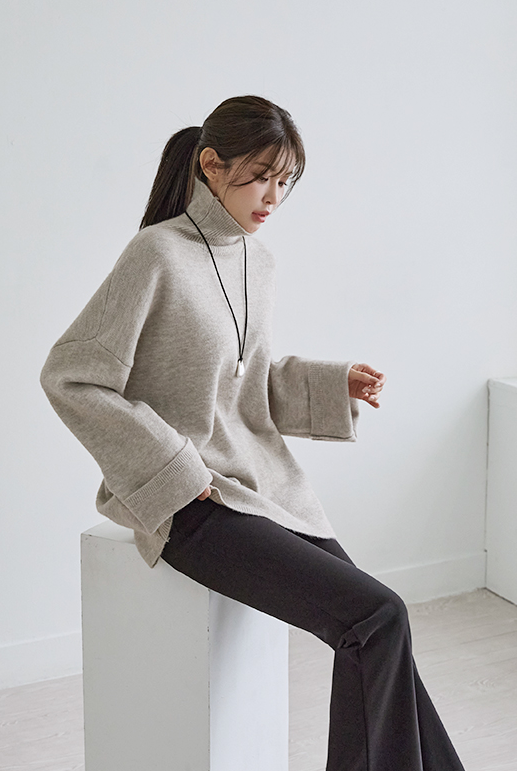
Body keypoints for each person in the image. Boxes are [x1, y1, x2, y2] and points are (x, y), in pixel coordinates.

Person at [40, 95, 465, 770]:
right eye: (261, 176)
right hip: (192, 503)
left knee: (383, 622)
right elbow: (71, 377)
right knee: (375, 617)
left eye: (285, 180)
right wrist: (175, 470)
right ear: (212, 165)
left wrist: (332, 384)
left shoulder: (257, 261)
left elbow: (247, 382)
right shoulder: (155, 254)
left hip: (261, 486)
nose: (273, 196)